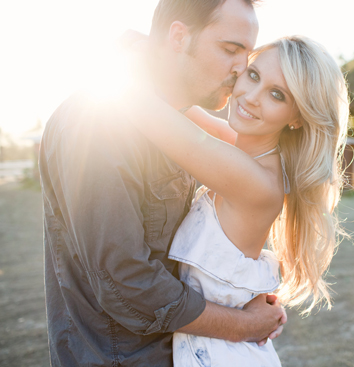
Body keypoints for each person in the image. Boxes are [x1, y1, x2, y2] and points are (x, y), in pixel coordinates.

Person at [38, 0, 286, 365]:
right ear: (179, 37)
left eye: (247, 54)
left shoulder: (177, 126)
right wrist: (243, 324)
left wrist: (240, 300)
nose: (241, 69)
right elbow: (127, 284)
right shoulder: (96, 123)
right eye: (231, 50)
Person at [122, 35, 350, 366]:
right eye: (253, 75)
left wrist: (135, 51)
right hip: (213, 345)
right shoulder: (249, 148)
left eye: (277, 95)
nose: (251, 97)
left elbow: (145, 111)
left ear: (296, 117)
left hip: (221, 355)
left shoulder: (254, 181)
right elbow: (187, 112)